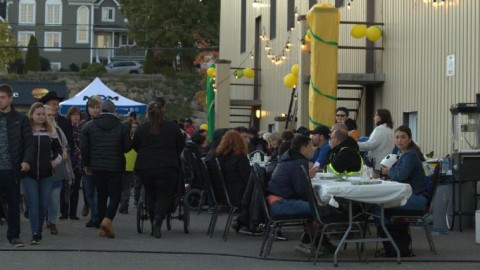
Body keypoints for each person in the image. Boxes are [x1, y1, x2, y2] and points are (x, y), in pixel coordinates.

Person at [133, 101, 185, 238]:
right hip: (167, 165)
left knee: (151, 195)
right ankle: (158, 219)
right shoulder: (172, 127)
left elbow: (135, 145)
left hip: (146, 166)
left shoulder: (142, 128)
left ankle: (152, 223)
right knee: (164, 195)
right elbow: (181, 143)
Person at [80, 100, 132, 238]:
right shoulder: (122, 127)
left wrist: (87, 164)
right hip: (115, 166)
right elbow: (128, 148)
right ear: (113, 110)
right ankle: (107, 220)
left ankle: (101, 223)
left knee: (101, 196)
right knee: (115, 196)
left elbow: (84, 148)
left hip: (96, 166)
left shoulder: (89, 126)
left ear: (101, 110)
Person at [23, 102, 63, 244]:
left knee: (43, 204)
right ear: (32, 115)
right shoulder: (26, 130)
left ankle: (38, 229)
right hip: (29, 174)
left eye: (43, 114)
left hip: (47, 174)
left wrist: (54, 162)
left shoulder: (51, 130)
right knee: (33, 203)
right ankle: (35, 233)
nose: (41, 117)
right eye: (38, 114)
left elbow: (59, 150)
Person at [0, 84, 34, 247]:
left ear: (10, 98)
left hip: (12, 169)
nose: (0, 101)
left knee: (14, 205)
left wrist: (26, 160)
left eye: (2, 97)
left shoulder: (20, 119)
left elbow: (29, 143)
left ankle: (14, 236)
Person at [383, 126, 428, 215]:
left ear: (410, 139)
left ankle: (387, 229)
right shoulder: (403, 154)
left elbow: (400, 176)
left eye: (403, 137)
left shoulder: (410, 155)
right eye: (397, 137)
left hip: (417, 198)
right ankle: (393, 228)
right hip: (410, 195)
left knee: (378, 206)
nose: (399, 140)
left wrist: (388, 171)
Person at [44, 105, 74, 235]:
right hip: (41, 170)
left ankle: (52, 221)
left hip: (57, 168)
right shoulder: (35, 130)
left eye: (52, 115)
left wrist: (65, 151)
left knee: (55, 199)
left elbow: (65, 145)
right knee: (42, 198)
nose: (50, 117)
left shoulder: (58, 130)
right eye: (47, 114)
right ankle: (43, 218)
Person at [74, 96, 102, 227]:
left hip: (100, 163)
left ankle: (97, 218)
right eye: (92, 107)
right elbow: (75, 143)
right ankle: (95, 216)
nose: (95, 110)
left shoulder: (103, 123)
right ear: (88, 108)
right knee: (88, 193)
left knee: (98, 193)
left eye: (97, 107)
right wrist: (81, 156)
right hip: (85, 164)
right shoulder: (80, 124)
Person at [215, 130, 251, 208]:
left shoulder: (220, 157)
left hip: (226, 194)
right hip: (239, 195)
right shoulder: (240, 157)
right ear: (239, 142)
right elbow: (248, 178)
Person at [358, 109, 395, 178]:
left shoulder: (380, 129)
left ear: (381, 117)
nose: (374, 118)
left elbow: (370, 145)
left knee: (374, 185)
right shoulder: (390, 130)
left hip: (377, 165)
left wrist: (355, 144)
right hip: (386, 164)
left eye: (376, 115)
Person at [60, 106, 82, 220]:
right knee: (64, 188)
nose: (76, 117)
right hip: (67, 160)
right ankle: (64, 211)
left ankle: (73, 213)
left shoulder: (81, 128)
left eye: (78, 115)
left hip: (77, 161)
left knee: (75, 188)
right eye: (73, 115)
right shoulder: (66, 128)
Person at [119, 122, 138, 214]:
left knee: (121, 187)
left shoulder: (119, 139)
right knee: (126, 188)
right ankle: (124, 206)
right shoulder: (134, 141)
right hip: (129, 167)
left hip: (120, 166)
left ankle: (123, 205)